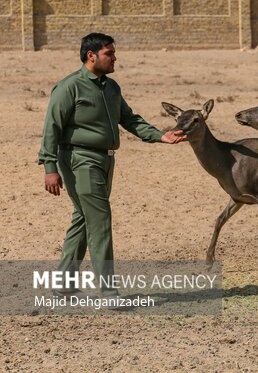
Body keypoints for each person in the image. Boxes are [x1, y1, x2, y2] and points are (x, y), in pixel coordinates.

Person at [38, 33, 186, 299]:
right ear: (91, 55)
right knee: (100, 219)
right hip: (79, 159)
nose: (115, 57)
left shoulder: (111, 87)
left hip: (106, 160)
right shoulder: (69, 87)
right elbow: (52, 128)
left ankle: (63, 283)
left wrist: (160, 135)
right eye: (109, 53)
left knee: (85, 217)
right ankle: (108, 291)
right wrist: (50, 167)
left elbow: (129, 119)